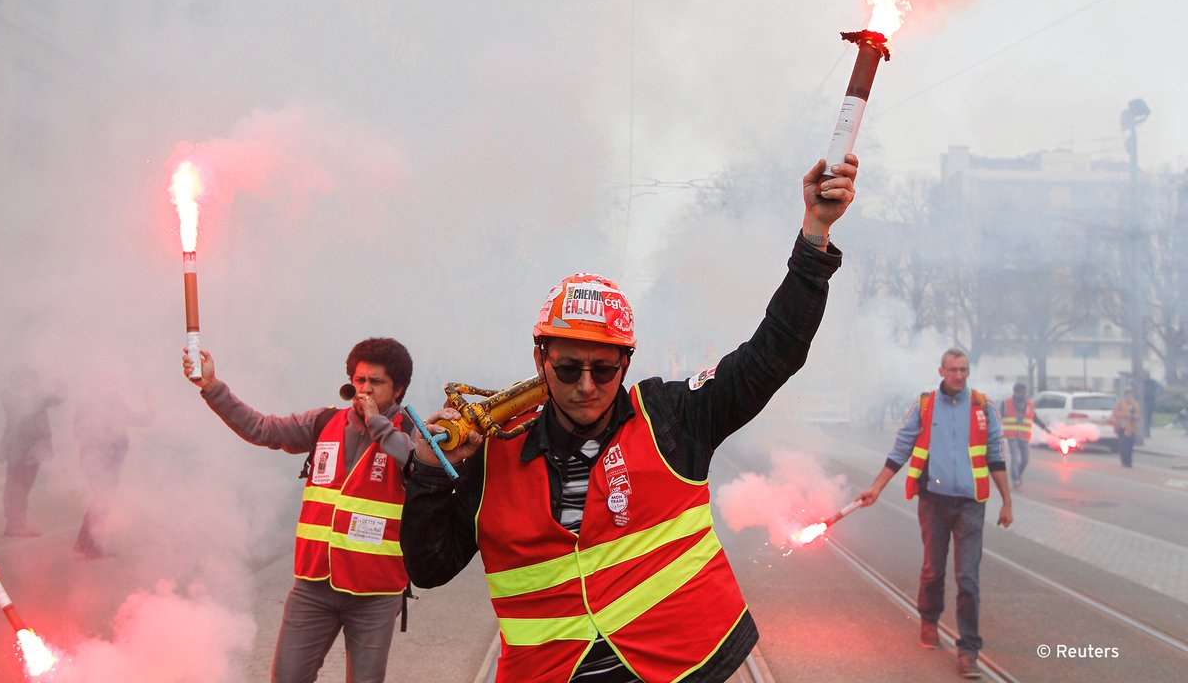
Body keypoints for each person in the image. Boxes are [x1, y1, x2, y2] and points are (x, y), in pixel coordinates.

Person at [401, 155, 857, 683]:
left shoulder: (670, 417)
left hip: (683, 670)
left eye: (605, 368)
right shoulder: (494, 449)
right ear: (539, 361)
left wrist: (814, 236)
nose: (587, 386)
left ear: (627, 364)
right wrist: (430, 472)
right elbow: (428, 568)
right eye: (568, 369)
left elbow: (773, 353)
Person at [182, 338, 414, 683]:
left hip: (375, 593)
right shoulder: (323, 422)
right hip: (313, 586)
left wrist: (378, 423)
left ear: (398, 390)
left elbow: (413, 463)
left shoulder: (411, 433)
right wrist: (212, 387)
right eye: (359, 380)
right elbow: (262, 429)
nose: (363, 389)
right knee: (287, 677)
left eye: (375, 382)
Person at [857, 349, 1013, 680]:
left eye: (964, 370)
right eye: (953, 370)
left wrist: (1007, 502)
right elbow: (900, 449)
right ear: (941, 371)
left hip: (971, 504)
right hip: (934, 503)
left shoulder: (983, 407)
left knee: (968, 577)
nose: (959, 375)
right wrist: (876, 487)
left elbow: (996, 454)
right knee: (933, 570)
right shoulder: (925, 406)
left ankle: (968, 649)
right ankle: (929, 621)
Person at [72, 383, 154, 559]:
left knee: (101, 502)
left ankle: (85, 543)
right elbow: (78, 432)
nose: (113, 387)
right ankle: (90, 545)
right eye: (108, 383)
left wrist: (150, 404)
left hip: (110, 461)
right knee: (102, 502)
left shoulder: (116, 405)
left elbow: (141, 420)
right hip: (98, 462)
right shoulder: (91, 406)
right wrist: (99, 438)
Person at [0, 365, 65, 537]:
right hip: (28, 448)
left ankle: (13, 523)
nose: (34, 380)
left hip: (17, 446)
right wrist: (58, 380)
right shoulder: (32, 396)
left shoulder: (9, 394)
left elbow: (58, 398)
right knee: (20, 486)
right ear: (23, 379)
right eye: (31, 377)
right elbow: (59, 398)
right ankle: (17, 525)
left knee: (14, 486)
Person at [999, 382, 1053, 489]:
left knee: (1025, 460)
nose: (1023, 394)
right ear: (1015, 392)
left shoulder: (1029, 404)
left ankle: (1017, 474)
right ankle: (1015, 480)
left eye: (1024, 392)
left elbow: (1034, 418)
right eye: (1020, 392)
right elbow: (998, 417)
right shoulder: (1006, 403)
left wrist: (1045, 428)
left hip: (1024, 436)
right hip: (1011, 435)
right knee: (1015, 459)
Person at [1109, 390, 1140, 468]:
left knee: (1130, 445)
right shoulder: (1120, 404)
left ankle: (1129, 461)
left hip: (1132, 428)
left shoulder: (1135, 405)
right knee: (1124, 445)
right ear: (1125, 397)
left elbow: (1138, 415)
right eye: (1128, 396)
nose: (1130, 398)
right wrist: (1126, 415)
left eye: (1131, 396)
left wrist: (1135, 417)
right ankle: (1124, 461)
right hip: (1122, 427)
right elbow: (1115, 413)